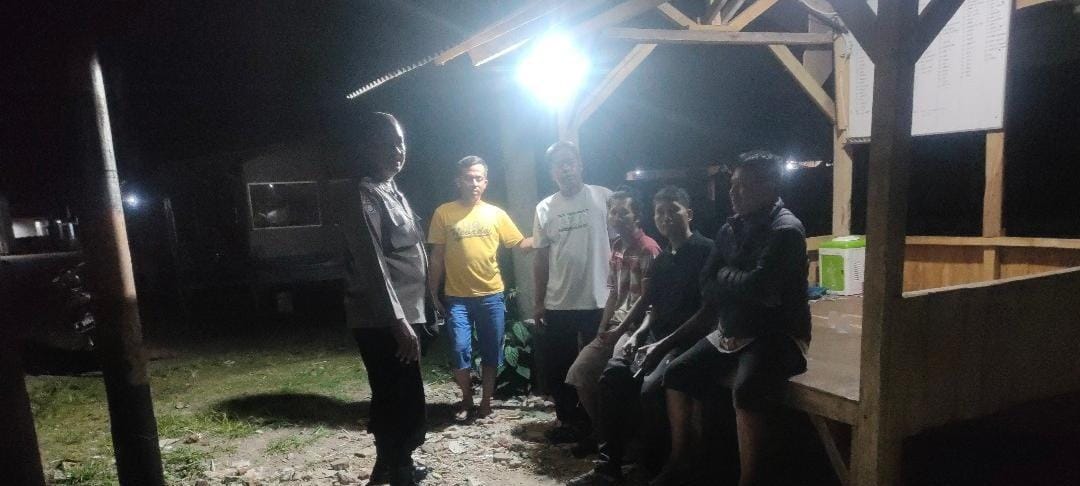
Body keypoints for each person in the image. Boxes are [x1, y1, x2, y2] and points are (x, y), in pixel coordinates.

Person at [640, 150, 811, 486]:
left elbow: (761, 287)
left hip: (775, 334)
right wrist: (737, 281)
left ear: (770, 186)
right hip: (731, 330)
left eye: (743, 185)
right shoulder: (731, 227)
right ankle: (683, 460)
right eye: (732, 184)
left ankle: (750, 479)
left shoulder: (786, 230)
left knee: (746, 389)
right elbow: (707, 282)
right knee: (678, 373)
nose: (733, 192)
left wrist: (728, 278)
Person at [566, 186, 714, 486]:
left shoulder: (706, 251)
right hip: (655, 337)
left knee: (649, 389)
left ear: (689, 213)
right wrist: (639, 335)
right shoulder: (664, 259)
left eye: (673, 210)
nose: (666, 217)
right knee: (612, 376)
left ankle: (653, 465)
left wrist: (659, 345)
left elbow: (706, 312)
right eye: (660, 212)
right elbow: (652, 307)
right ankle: (609, 465)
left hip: (687, 340)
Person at [328, 112, 432, 486]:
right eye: (386, 144)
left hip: (406, 312)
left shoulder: (392, 190)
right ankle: (399, 469)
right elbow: (372, 265)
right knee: (398, 395)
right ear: (367, 148)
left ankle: (389, 466)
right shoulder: (362, 195)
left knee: (399, 392)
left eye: (400, 142)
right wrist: (398, 321)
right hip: (382, 319)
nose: (396, 151)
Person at [427, 155, 527, 421]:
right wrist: (432, 292)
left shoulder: (496, 214)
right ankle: (467, 398)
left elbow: (520, 243)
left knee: (492, 351)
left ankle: (485, 402)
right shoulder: (444, 212)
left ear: (485, 182)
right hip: (457, 298)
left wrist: (548, 237)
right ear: (458, 181)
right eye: (468, 178)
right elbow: (437, 257)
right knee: (460, 349)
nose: (474, 183)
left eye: (478, 178)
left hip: (491, 295)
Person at [564, 187, 660, 456]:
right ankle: (601, 433)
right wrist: (602, 327)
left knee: (615, 379)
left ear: (637, 215)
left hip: (638, 328)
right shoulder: (617, 248)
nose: (617, 218)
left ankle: (622, 443)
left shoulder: (649, 249)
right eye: (613, 213)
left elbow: (646, 300)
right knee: (580, 372)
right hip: (615, 324)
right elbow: (615, 293)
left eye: (623, 213)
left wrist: (619, 331)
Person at [532, 141, 613, 444]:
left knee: (595, 367)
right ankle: (569, 421)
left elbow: (620, 245)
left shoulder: (603, 197)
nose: (565, 169)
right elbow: (540, 258)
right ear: (552, 172)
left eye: (570, 162)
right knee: (560, 367)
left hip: (599, 299)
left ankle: (601, 424)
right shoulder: (544, 208)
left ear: (580, 164)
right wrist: (539, 301)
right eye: (558, 165)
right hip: (559, 301)